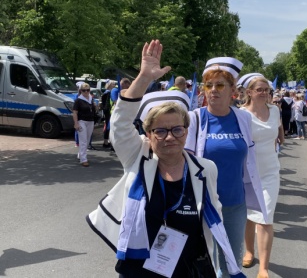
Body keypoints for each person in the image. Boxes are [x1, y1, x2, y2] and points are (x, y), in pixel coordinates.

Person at [86, 40, 244, 278]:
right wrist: (144, 77)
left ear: (186, 131)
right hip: (141, 267)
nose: (169, 137)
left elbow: (213, 221)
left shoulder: (205, 169)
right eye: (160, 131)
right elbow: (119, 124)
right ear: (148, 134)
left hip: (190, 268)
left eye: (177, 129)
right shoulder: (138, 157)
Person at [185, 57, 267, 278]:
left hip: (234, 204)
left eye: (220, 85)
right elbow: (185, 161)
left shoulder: (243, 118)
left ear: (233, 90)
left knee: (230, 265)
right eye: (208, 85)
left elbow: (249, 158)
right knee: (202, 263)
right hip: (203, 206)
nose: (213, 90)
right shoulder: (195, 119)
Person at [239, 74, 282, 278]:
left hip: (270, 172)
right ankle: (249, 252)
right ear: (249, 92)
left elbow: (276, 134)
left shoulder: (275, 110)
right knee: (249, 217)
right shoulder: (241, 114)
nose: (265, 93)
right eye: (260, 90)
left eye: (267, 90)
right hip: (247, 173)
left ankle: (263, 267)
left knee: (265, 218)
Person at [72, 83, 96, 167]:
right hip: (82, 121)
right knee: (83, 140)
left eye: (88, 90)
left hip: (90, 121)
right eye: (84, 90)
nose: (86, 92)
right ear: (80, 91)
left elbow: (93, 110)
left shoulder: (91, 99)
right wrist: (76, 123)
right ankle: (83, 159)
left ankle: (80, 154)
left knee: (88, 139)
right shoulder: (78, 100)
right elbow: (75, 112)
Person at [101, 79, 116, 148]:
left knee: (107, 125)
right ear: (110, 85)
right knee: (108, 126)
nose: (114, 85)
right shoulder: (108, 93)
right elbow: (107, 104)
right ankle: (106, 141)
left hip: (106, 111)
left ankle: (106, 141)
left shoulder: (105, 93)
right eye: (113, 84)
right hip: (108, 112)